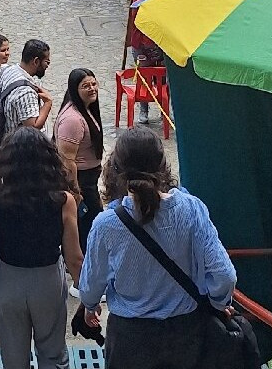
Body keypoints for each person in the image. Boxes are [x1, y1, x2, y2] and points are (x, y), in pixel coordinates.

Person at [78, 127, 237, 369]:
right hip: (185, 335)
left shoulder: (106, 224)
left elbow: (92, 282)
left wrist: (90, 306)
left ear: (116, 169)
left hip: (130, 339)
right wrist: (217, 304)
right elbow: (225, 275)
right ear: (163, 165)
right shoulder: (191, 210)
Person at [0, 127, 83, 369]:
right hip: (48, 281)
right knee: (52, 354)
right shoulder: (64, 201)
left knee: (13, 358)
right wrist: (88, 297)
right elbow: (74, 258)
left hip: (9, 281)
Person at [55, 68, 104, 262]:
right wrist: (75, 191)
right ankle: (79, 262)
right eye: (86, 86)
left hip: (89, 179)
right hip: (81, 181)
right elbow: (67, 159)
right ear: (75, 89)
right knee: (87, 224)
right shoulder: (73, 119)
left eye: (93, 84)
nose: (92, 89)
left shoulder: (87, 108)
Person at [0, 39, 54, 132]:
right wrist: (48, 103)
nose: (47, 66)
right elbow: (33, 128)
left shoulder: (10, 70)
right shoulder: (26, 92)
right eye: (46, 62)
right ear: (36, 61)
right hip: (21, 144)